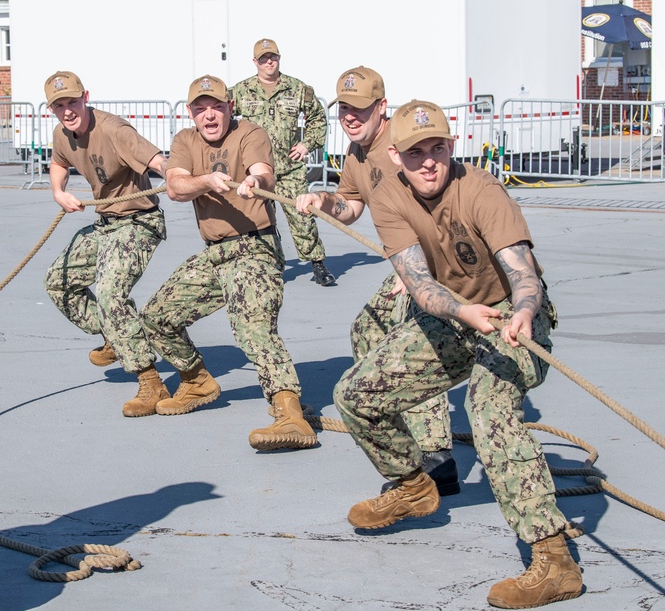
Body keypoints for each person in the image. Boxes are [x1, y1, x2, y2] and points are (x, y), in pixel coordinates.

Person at [334, 100, 582, 609]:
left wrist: (523, 310)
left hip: (510, 320)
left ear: (452, 146)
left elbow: (522, 271)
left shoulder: (483, 189)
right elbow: (420, 286)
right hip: (453, 317)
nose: (429, 161)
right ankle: (412, 486)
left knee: (489, 410)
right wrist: (462, 313)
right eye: (416, 152)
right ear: (396, 156)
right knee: (355, 394)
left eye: (438, 148)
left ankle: (555, 561)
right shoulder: (388, 199)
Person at [295, 67, 458, 496]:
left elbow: (442, 206)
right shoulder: (355, 155)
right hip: (407, 263)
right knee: (367, 329)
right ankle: (396, 430)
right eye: (344, 108)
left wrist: (422, 271)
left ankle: (437, 458)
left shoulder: (401, 143)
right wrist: (323, 201)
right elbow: (350, 206)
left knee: (420, 342)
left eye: (360, 108)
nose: (350, 116)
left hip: (437, 263)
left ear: (381, 107)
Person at [140, 74, 317, 451]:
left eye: (216, 106)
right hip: (216, 253)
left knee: (252, 326)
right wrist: (206, 180)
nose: (209, 115)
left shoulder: (250, 132)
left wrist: (254, 179)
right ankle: (197, 381)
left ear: (229, 107)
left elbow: (262, 169)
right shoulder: (185, 141)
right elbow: (175, 186)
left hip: (256, 248)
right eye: (200, 109)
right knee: (157, 317)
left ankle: (290, 411)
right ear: (190, 113)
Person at [41, 71, 170, 417]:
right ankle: (114, 334)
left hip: (138, 222)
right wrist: (58, 192)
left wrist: (175, 176)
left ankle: (151, 381)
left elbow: (158, 160)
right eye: (58, 105)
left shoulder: (113, 130)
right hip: (105, 223)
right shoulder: (62, 134)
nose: (67, 111)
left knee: (111, 294)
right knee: (58, 282)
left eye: (71, 102)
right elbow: (58, 162)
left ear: (85, 96)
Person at [231, 38, 335, 287]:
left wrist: (307, 144)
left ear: (279, 58)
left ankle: (318, 264)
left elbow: (318, 118)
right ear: (255, 62)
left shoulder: (297, 89)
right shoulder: (239, 91)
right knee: (260, 220)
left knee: (302, 218)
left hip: (289, 170)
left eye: (273, 57)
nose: (269, 61)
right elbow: (223, 120)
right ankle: (272, 264)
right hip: (256, 170)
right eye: (264, 58)